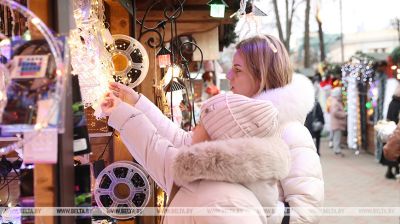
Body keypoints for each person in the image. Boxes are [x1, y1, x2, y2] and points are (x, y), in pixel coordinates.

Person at [109, 34, 324, 224]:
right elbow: (185, 143)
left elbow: (306, 211)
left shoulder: (291, 132)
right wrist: (137, 102)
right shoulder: (231, 120)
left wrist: (250, 208)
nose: (229, 76)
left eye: (238, 70)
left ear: (262, 76)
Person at [101, 92, 291, 223]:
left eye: (201, 124)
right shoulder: (198, 175)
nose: (193, 129)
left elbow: (158, 148)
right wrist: (125, 107)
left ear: (215, 137)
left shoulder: (228, 205)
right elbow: (154, 147)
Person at [382, 84, 400, 178]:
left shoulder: (392, 102)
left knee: (393, 150)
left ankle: (392, 171)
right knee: (395, 150)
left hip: (390, 130)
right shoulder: (397, 104)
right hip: (394, 130)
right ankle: (393, 171)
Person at [329, 87, 346, 157]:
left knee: (337, 137)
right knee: (337, 138)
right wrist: (344, 114)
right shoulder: (335, 102)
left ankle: (337, 150)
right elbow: (335, 112)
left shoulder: (335, 101)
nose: (341, 95)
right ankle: (337, 151)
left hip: (337, 123)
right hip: (337, 123)